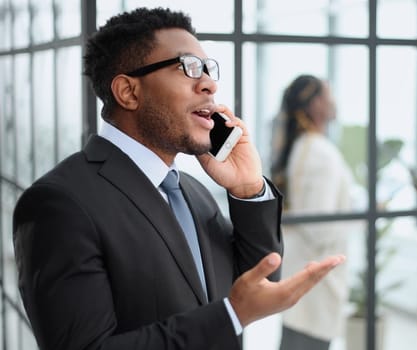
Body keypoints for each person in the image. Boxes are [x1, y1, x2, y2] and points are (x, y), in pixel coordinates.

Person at [12, 8, 344, 350]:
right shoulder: (59, 203)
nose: (210, 84)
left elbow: (258, 282)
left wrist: (248, 190)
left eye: (208, 68)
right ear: (128, 92)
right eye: (188, 67)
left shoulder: (192, 191)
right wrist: (230, 316)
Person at [271, 75, 355, 350]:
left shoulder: (305, 146)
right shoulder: (320, 152)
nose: (334, 102)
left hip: (302, 280)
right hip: (315, 284)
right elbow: (321, 227)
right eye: (328, 95)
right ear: (315, 104)